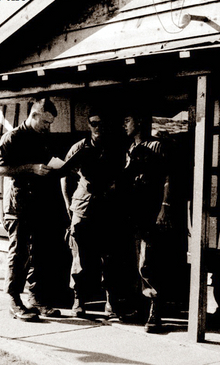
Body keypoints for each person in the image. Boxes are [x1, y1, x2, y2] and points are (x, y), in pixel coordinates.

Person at [60, 107, 133, 318]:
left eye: (102, 123)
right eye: (94, 123)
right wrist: (69, 205)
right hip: (83, 208)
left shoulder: (118, 148)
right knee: (80, 258)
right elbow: (64, 175)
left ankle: (111, 302)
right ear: (88, 125)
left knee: (111, 258)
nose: (98, 127)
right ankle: (79, 300)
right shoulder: (80, 147)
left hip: (110, 209)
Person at [0, 97, 62, 321]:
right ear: (33, 115)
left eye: (50, 123)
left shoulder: (43, 139)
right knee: (19, 252)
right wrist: (31, 168)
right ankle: (14, 301)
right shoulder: (12, 137)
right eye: (45, 122)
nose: (47, 126)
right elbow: (1, 169)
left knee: (41, 253)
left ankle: (37, 299)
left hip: (41, 205)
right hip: (18, 206)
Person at [122, 108, 174, 333]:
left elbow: (168, 179)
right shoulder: (130, 148)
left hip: (151, 212)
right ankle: (141, 308)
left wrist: (165, 208)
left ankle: (156, 311)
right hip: (134, 212)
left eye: (128, 119)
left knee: (149, 263)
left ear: (140, 121)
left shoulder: (157, 146)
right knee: (136, 260)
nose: (124, 124)